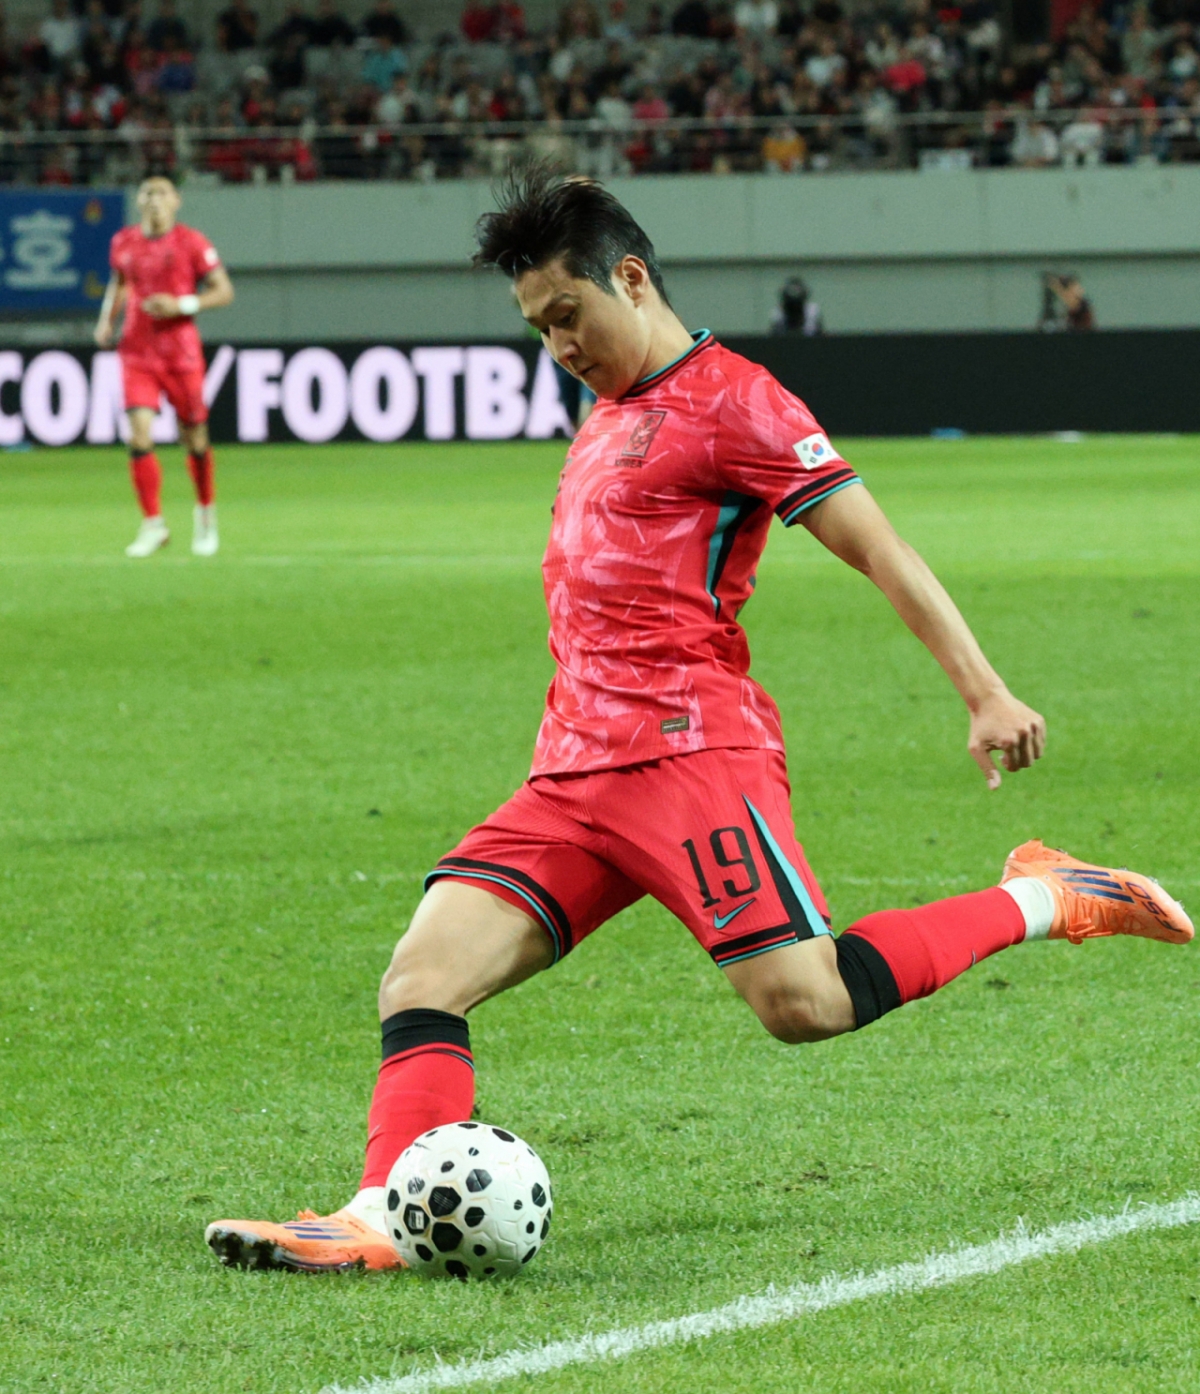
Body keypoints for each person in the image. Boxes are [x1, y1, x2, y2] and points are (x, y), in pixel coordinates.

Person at [205, 170, 1192, 1273]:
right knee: (421, 975)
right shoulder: (609, 411)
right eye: (538, 329)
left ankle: (1049, 894)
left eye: (568, 316)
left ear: (631, 277)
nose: (559, 345)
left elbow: (878, 546)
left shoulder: (740, 402)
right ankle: (381, 1212)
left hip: (689, 754)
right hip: (571, 773)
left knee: (802, 1001)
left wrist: (985, 689)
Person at [94, 174, 235, 558]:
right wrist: (108, 319)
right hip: (137, 351)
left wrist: (182, 305)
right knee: (138, 436)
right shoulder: (123, 242)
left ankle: (205, 514)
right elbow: (119, 282)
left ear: (176, 201)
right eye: (147, 193)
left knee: (195, 438)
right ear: (139, 201)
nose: (154, 199)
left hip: (180, 354)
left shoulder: (192, 243)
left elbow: (223, 290)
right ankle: (153, 524)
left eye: (162, 193)